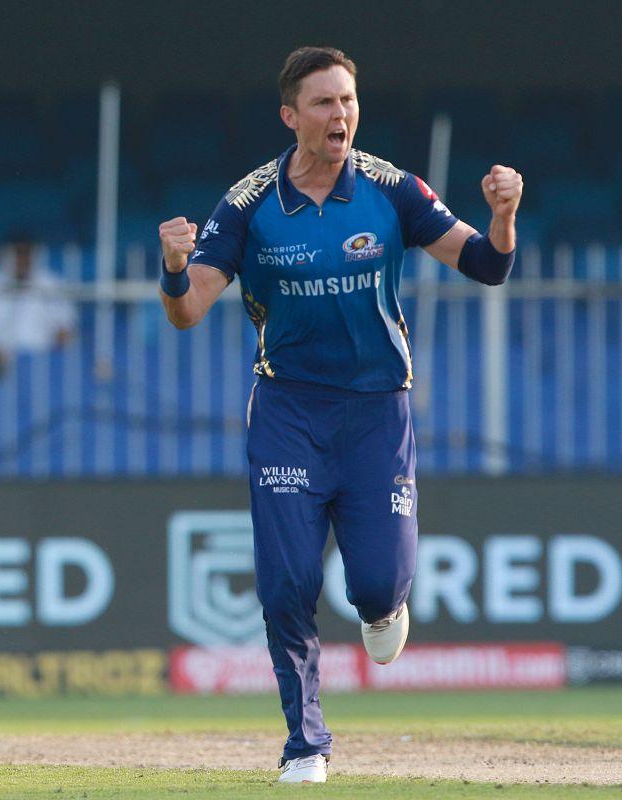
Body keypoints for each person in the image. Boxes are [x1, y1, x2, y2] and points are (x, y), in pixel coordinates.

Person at [157, 47, 522, 783]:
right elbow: (188, 311)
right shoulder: (250, 203)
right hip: (289, 409)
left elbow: (486, 265)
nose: (341, 115)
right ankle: (306, 744)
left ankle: (383, 609)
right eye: (324, 103)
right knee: (287, 582)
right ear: (291, 116)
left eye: (349, 101)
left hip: (377, 415)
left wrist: (504, 217)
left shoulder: (392, 189)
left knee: (378, 586)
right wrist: (171, 268)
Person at [0, 234, 77, 377]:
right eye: (18, 253)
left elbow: (66, 330)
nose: (22, 260)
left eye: (27, 254)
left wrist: (51, 360)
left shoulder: (52, 282)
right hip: (1, 357)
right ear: (6, 255)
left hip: (43, 360)